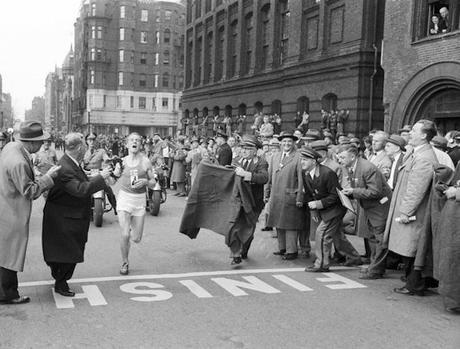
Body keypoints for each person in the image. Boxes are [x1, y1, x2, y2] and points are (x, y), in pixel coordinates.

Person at [42, 133, 110, 297]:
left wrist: (90, 177)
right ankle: (61, 282)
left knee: (66, 251)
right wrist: (101, 177)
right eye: (85, 145)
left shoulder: (69, 162)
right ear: (80, 148)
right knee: (68, 252)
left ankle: (60, 277)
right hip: (65, 218)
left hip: (67, 216)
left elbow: (78, 180)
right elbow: (80, 190)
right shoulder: (65, 167)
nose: (87, 147)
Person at [0, 121, 60, 305]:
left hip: (5, 203)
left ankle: (7, 291)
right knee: (10, 254)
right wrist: (49, 178)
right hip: (13, 210)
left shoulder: (11, 147)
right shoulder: (19, 161)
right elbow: (30, 192)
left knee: (5, 252)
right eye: (41, 141)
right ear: (32, 142)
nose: (43, 144)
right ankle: (8, 293)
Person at [384, 120, 439, 295]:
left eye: (414, 131)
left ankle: (415, 285)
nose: (410, 134)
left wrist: (406, 212)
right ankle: (413, 283)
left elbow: (416, 190)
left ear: (424, 135)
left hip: (414, 213)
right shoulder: (417, 154)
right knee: (411, 248)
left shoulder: (423, 158)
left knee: (414, 248)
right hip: (412, 210)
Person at [338, 144, 392, 279]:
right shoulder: (352, 166)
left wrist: (353, 191)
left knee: (380, 239)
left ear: (352, 156)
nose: (340, 160)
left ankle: (376, 270)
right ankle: (375, 266)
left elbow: (375, 191)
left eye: (343, 157)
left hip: (379, 207)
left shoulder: (367, 168)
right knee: (373, 237)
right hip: (369, 206)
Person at [301, 148, 352, 272]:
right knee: (337, 235)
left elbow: (336, 195)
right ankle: (354, 258)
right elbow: (309, 195)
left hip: (335, 209)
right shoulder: (306, 173)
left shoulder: (327, 173)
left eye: (305, 160)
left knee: (322, 234)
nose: (302, 162)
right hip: (326, 209)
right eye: (301, 159)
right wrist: (313, 211)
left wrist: (318, 204)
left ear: (314, 161)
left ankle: (322, 264)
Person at [113, 133, 157, 275]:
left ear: (141, 145)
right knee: (125, 235)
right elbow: (113, 181)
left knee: (136, 238)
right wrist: (113, 173)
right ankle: (124, 262)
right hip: (124, 199)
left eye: (137, 140)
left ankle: (132, 230)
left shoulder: (145, 162)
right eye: (132, 140)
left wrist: (145, 182)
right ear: (127, 144)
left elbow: (153, 183)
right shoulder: (122, 161)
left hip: (139, 201)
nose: (134, 142)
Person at [266, 131, 306, 260]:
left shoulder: (298, 157)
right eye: (284, 141)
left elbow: (301, 180)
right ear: (280, 143)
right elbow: (269, 177)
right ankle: (282, 248)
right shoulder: (275, 156)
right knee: (278, 222)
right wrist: (266, 194)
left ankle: (292, 251)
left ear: (294, 143)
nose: (286, 144)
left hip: (290, 195)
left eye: (289, 141)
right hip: (276, 195)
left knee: (290, 225)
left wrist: (300, 197)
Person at [229, 135, 268, 264]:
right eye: (242, 148)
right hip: (238, 201)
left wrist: (246, 175)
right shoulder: (236, 160)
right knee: (235, 227)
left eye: (248, 149)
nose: (244, 151)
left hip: (253, 202)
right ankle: (236, 253)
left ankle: (243, 250)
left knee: (248, 229)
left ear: (255, 151)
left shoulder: (261, 162)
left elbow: (264, 178)